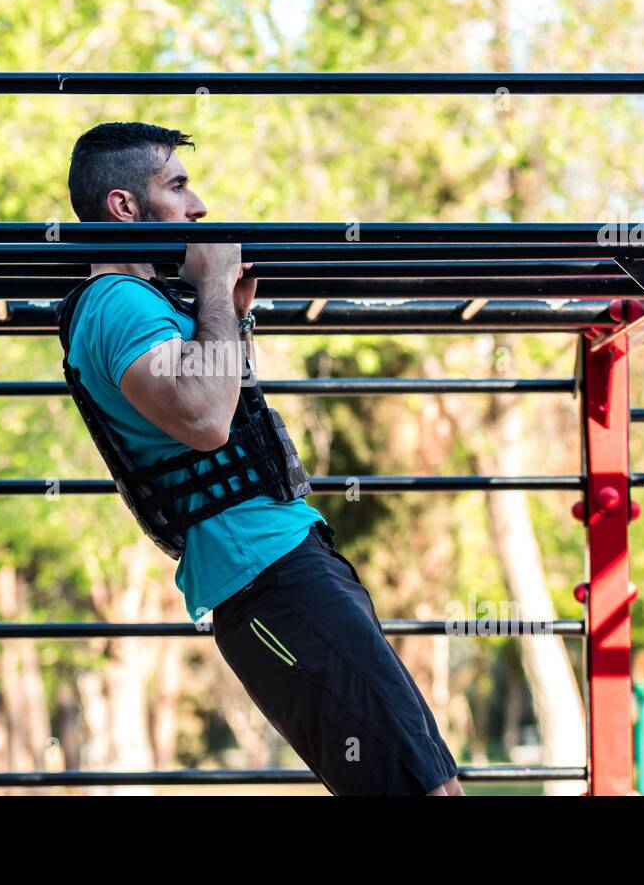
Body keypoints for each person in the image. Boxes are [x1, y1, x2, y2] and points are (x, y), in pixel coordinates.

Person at [57, 121, 462, 796]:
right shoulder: (116, 302)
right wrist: (213, 288)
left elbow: (214, 406)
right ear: (125, 207)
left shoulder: (146, 304)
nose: (199, 207)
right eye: (178, 186)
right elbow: (205, 419)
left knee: (432, 785)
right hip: (268, 583)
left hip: (288, 566)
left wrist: (233, 316)